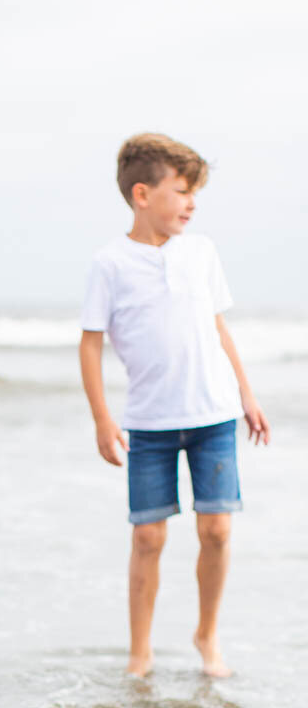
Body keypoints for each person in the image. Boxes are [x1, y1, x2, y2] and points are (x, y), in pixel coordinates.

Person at [79, 133, 270, 678]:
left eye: (195, 195)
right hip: (149, 423)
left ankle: (206, 635)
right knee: (148, 535)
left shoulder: (201, 251)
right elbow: (90, 342)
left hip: (213, 415)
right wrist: (101, 418)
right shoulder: (110, 263)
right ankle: (141, 650)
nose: (191, 204)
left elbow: (217, 327)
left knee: (216, 530)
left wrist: (247, 394)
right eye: (182, 191)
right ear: (143, 194)